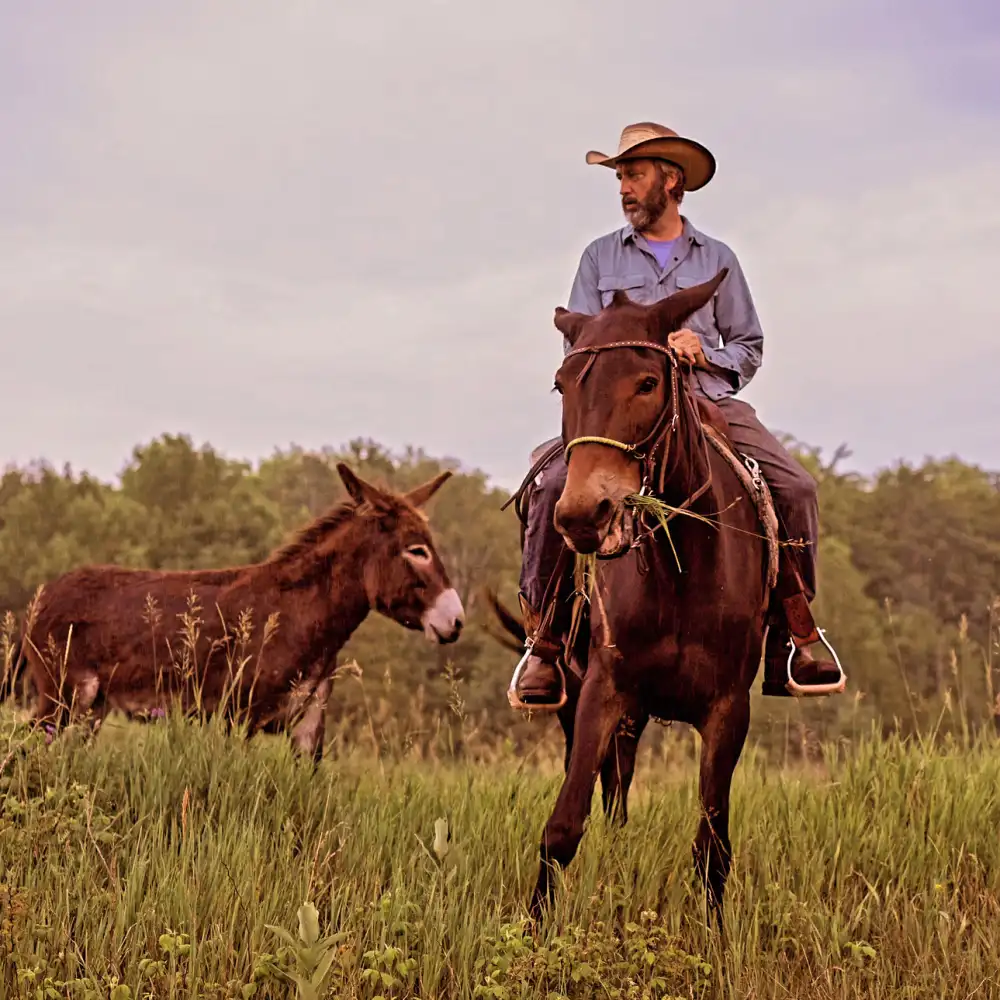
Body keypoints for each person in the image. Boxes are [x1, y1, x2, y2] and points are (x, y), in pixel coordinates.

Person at [511, 121, 845, 709]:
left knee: (796, 487)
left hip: (707, 402)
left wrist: (705, 352)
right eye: (620, 177)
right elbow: (580, 348)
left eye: (633, 175)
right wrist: (638, 358)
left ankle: (793, 634)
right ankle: (545, 642)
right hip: (620, 417)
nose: (623, 188)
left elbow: (748, 346)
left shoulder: (719, 258)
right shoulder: (599, 257)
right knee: (550, 486)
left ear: (671, 180)